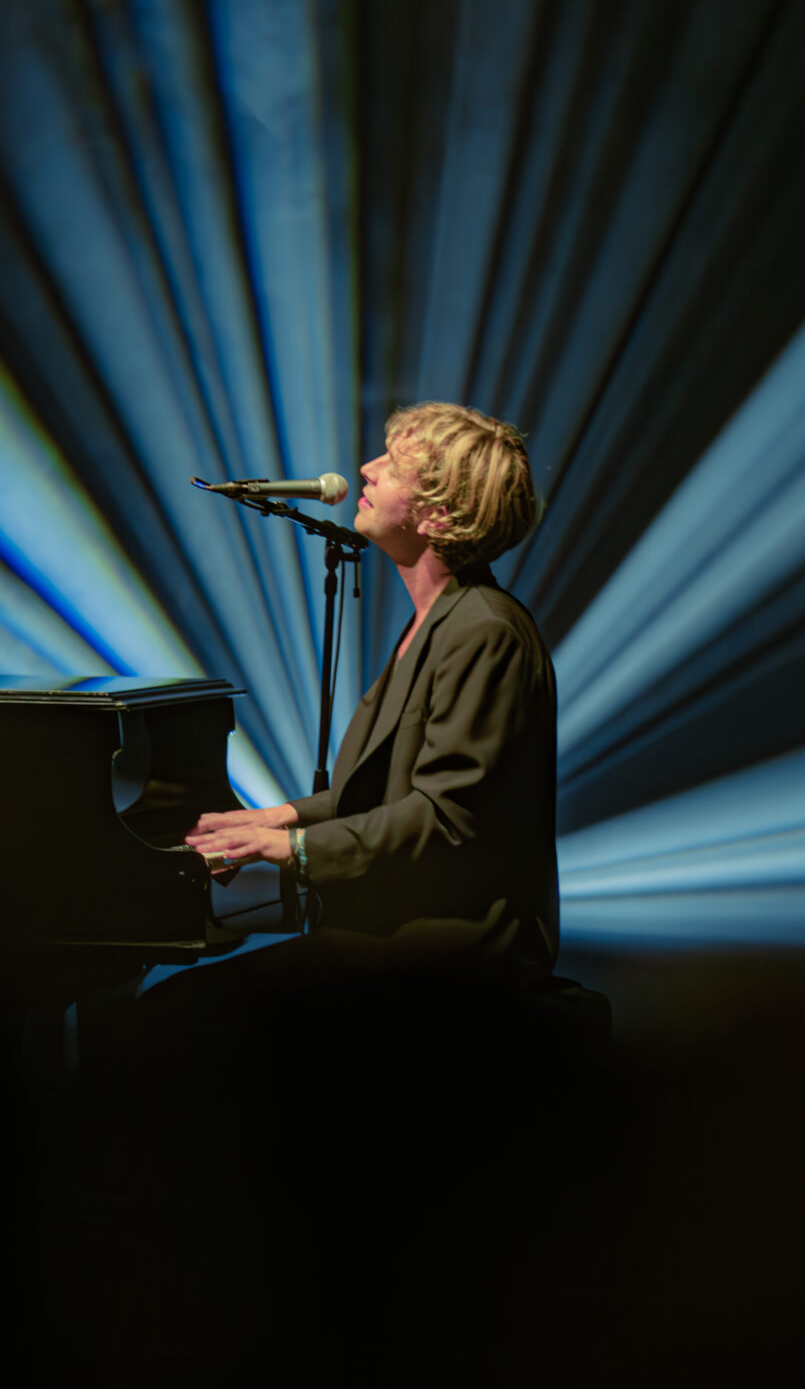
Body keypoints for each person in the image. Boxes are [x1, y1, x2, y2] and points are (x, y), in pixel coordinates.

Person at [187, 401, 559, 973]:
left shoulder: (484, 630)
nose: (367, 468)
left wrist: (292, 848)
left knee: (174, 1014)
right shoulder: (438, 621)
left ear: (439, 516)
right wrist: (275, 818)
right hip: (398, 928)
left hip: (451, 949)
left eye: (394, 465)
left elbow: (447, 817)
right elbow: (386, 793)